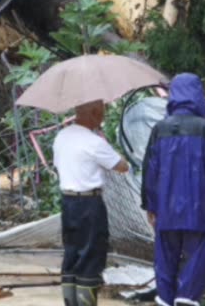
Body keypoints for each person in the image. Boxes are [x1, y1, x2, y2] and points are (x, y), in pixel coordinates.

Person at [141, 73, 205, 306]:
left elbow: (150, 171)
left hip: (166, 210)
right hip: (199, 208)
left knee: (165, 258)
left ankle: (165, 298)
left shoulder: (160, 129)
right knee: (198, 256)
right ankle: (187, 298)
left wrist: (150, 205)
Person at [53, 99, 128, 306]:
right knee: (91, 254)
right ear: (94, 113)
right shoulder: (94, 142)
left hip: (68, 202)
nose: (103, 117)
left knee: (72, 252)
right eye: (102, 112)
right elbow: (122, 166)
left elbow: (58, 164)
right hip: (89, 204)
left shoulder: (62, 136)